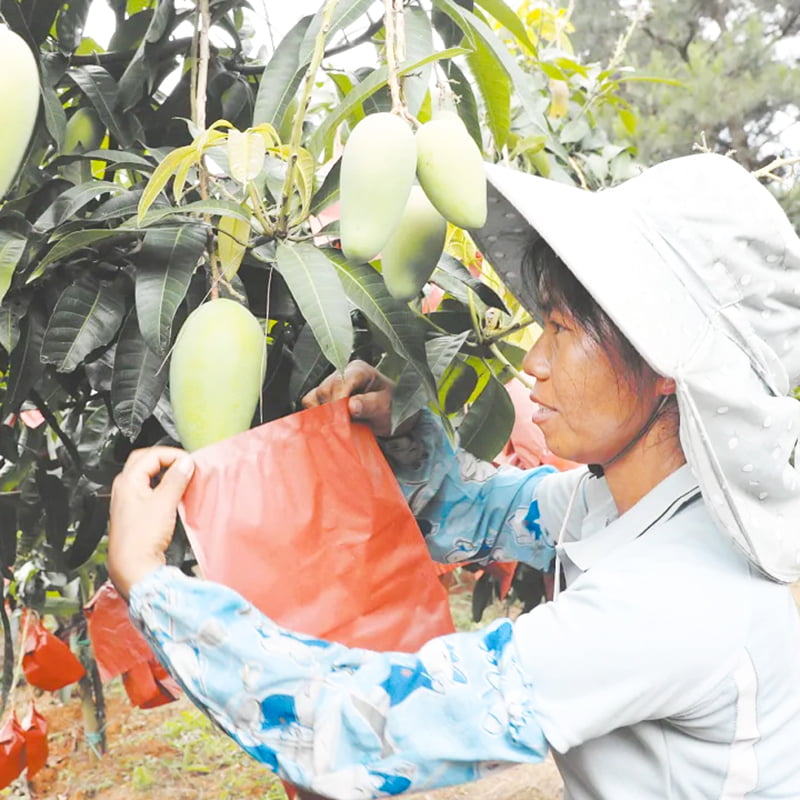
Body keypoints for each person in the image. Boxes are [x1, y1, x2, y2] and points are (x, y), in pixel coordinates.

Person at [108, 153, 800, 799]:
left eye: (560, 330)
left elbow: (364, 728)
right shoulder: (628, 506)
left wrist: (150, 582)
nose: (534, 363)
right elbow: (485, 513)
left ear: (663, 369)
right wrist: (405, 435)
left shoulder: (672, 603)